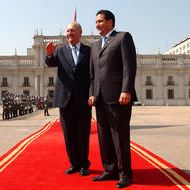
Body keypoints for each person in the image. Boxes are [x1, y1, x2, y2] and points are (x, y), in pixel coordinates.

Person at [88, 10, 137, 188]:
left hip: (119, 97)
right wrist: (91, 93)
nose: (97, 25)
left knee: (120, 136)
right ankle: (109, 170)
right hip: (100, 98)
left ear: (110, 22)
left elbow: (129, 66)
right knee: (104, 137)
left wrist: (126, 89)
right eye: (96, 22)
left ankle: (125, 174)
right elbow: (92, 75)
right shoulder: (94, 45)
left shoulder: (123, 38)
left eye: (100, 21)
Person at [45, 22, 92, 176]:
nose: (69, 33)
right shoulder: (60, 51)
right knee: (69, 133)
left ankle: (84, 164)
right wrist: (50, 54)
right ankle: (74, 163)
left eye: (72, 30)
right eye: (67, 31)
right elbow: (50, 63)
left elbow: (93, 75)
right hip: (64, 99)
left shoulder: (89, 51)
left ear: (80, 32)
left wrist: (92, 94)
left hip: (83, 99)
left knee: (83, 133)